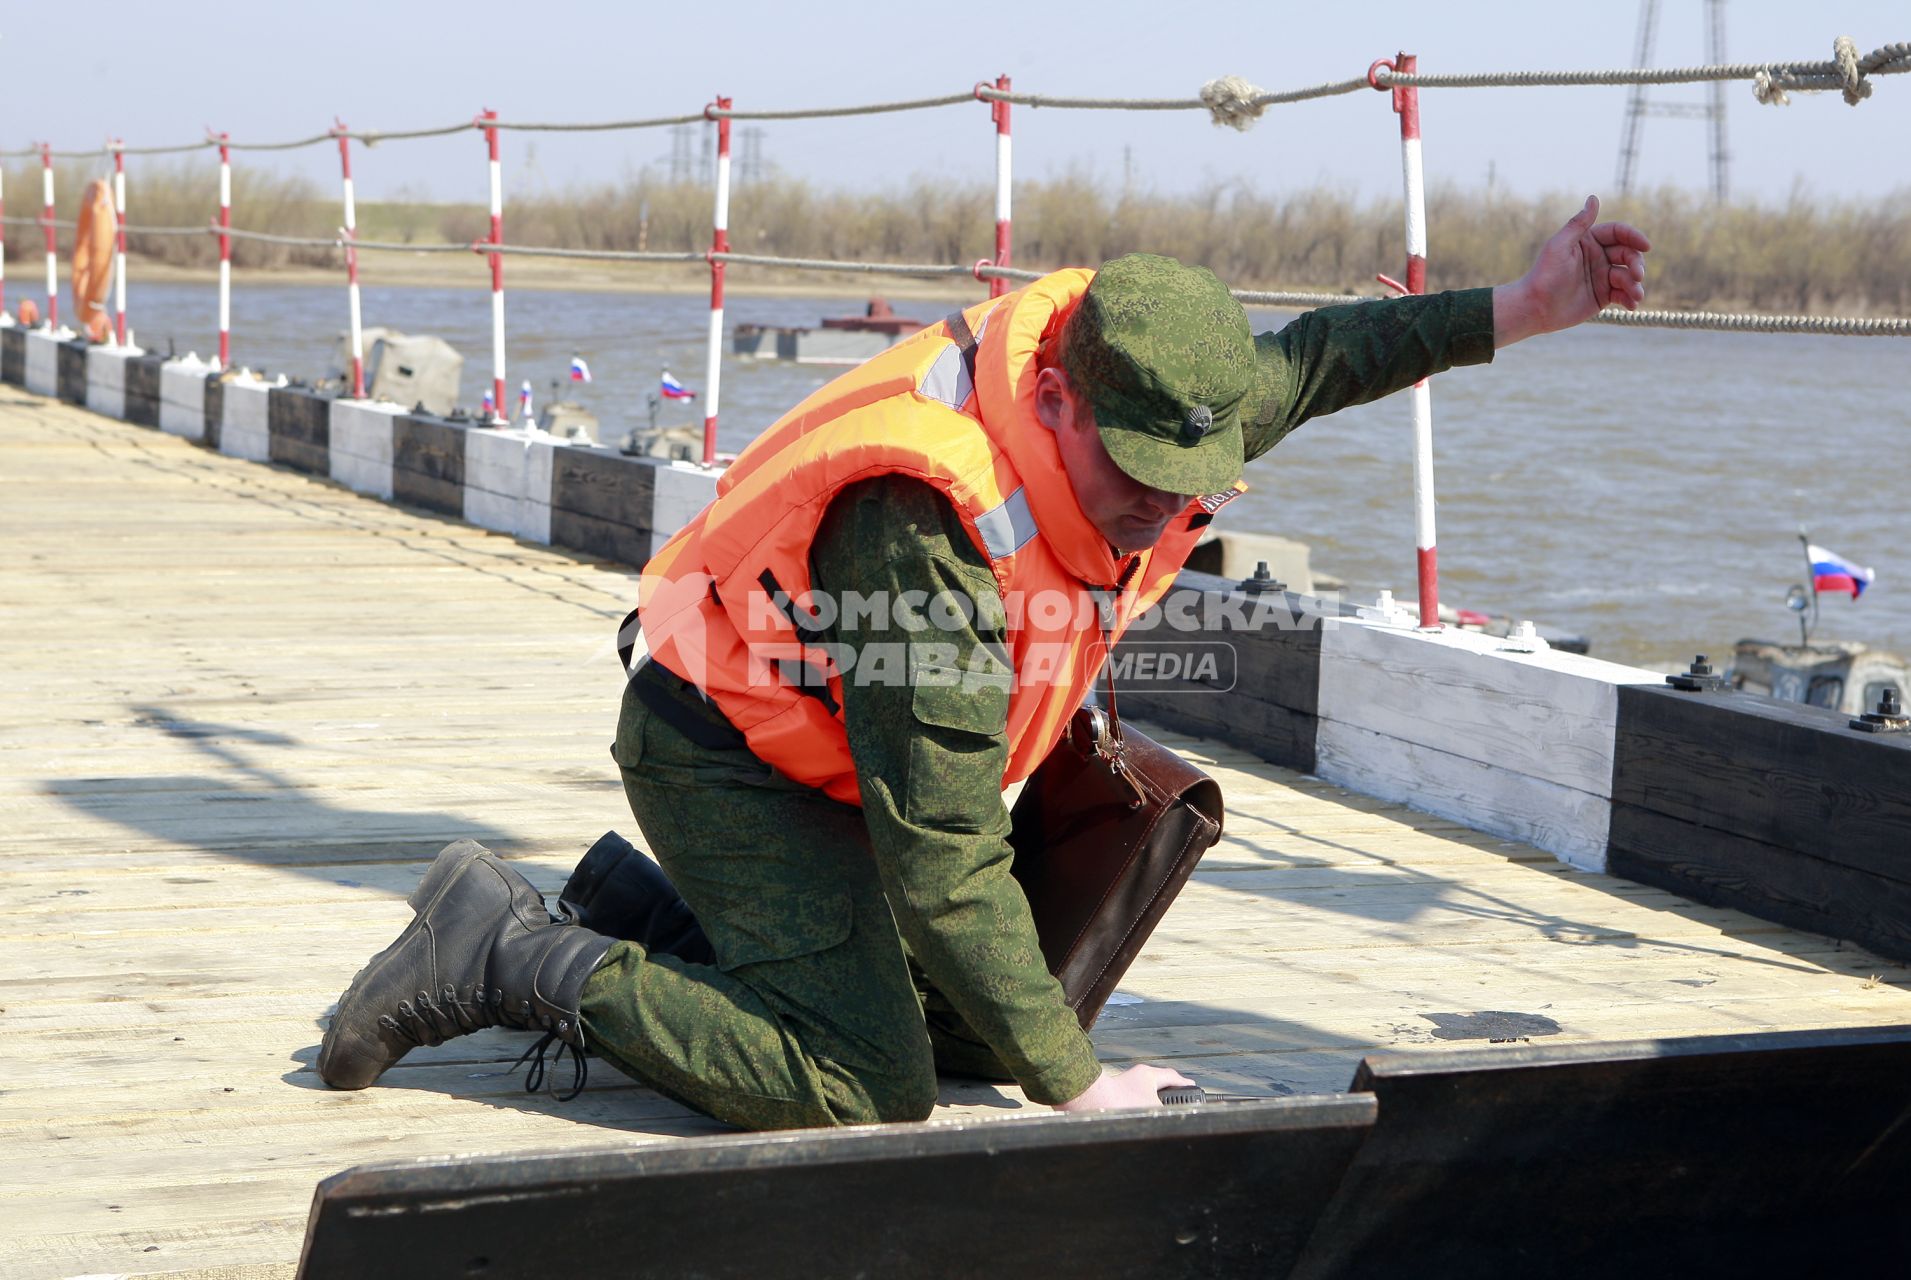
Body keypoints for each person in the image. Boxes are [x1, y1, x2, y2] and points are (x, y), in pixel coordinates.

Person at [318, 197, 1649, 1128]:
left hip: (836, 759)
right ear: (1058, 399)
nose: (1169, 504)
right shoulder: (932, 531)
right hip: (724, 749)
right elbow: (944, 849)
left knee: (966, 1028)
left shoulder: (1161, 389)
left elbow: (1331, 351)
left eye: (1195, 471)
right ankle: (507, 948)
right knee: (865, 1078)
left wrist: (1527, 307)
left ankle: (632, 910)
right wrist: (1076, 1082)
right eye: (1139, 477)